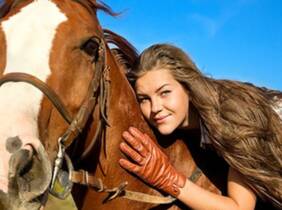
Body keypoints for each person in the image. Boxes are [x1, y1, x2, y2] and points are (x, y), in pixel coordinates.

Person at [118, 44, 282, 210]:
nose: (155, 108)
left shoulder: (232, 116)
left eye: (164, 92)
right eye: (144, 98)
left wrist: (168, 178)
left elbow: (240, 208)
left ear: (188, 87)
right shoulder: (182, 123)